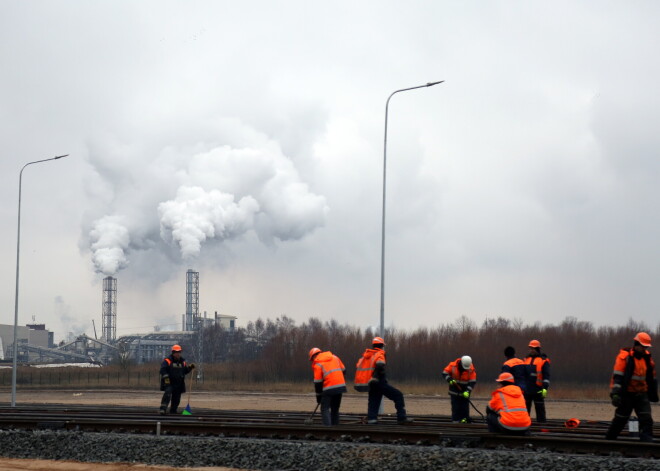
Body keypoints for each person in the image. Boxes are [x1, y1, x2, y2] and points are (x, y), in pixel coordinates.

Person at [606, 332, 658, 442]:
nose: (644, 349)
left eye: (646, 347)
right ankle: (609, 440)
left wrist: (653, 393)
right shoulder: (624, 357)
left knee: (646, 418)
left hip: (641, 393)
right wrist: (615, 393)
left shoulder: (648, 359)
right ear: (636, 344)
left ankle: (647, 441)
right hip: (627, 394)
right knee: (621, 418)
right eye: (643, 346)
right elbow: (618, 377)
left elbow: (652, 377)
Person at [354, 336, 413, 425]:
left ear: (373, 345)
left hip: (371, 383)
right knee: (398, 395)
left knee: (374, 401)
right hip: (379, 381)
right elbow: (380, 364)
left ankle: (372, 420)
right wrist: (376, 376)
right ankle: (401, 418)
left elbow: (358, 366)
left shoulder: (366, 356)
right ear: (382, 345)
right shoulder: (379, 353)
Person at [309, 347, 347, 426]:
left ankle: (328, 429)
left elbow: (318, 383)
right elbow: (344, 370)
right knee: (335, 409)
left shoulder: (317, 363)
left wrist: (318, 396)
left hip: (328, 387)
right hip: (340, 386)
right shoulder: (335, 357)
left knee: (324, 408)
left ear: (313, 356)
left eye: (312, 359)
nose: (312, 361)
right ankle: (335, 428)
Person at [159, 344, 195, 415]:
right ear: (173, 353)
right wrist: (166, 378)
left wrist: (190, 368)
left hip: (179, 383)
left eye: (179, 352)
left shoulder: (183, 362)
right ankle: (163, 409)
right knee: (167, 395)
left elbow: (184, 371)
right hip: (169, 382)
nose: (178, 354)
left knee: (176, 398)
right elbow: (163, 370)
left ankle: (173, 411)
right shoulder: (167, 361)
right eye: (176, 352)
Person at [442, 355, 477, 423]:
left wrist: (467, 391)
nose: (465, 369)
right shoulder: (452, 365)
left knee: (465, 407)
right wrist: (450, 379)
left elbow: (472, 382)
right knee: (455, 407)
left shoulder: (471, 369)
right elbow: (444, 373)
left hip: (465, 392)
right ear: (461, 362)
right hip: (454, 391)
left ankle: (464, 420)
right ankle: (455, 421)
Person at [523, 339, 550, 423]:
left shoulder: (543, 361)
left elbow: (546, 376)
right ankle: (525, 425)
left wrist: (545, 389)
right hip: (527, 390)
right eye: (530, 348)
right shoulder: (526, 359)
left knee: (540, 411)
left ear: (538, 349)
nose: (532, 350)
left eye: (533, 348)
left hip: (538, 389)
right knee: (525, 411)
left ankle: (542, 427)